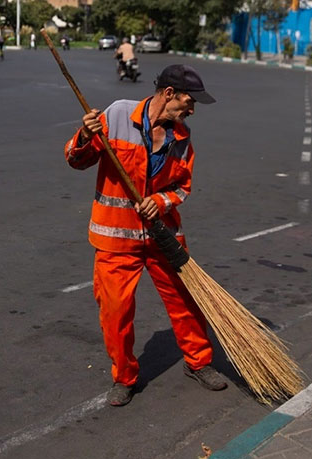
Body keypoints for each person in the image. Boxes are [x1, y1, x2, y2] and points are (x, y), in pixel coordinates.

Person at [63, 64, 222, 407]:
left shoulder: (182, 136)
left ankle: (199, 362)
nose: (192, 110)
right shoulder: (117, 114)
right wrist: (86, 135)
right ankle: (124, 377)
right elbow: (76, 160)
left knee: (186, 301)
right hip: (116, 239)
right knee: (116, 312)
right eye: (189, 102)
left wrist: (160, 201)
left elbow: (183, 187)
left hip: (162, 237)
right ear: (169, 94)